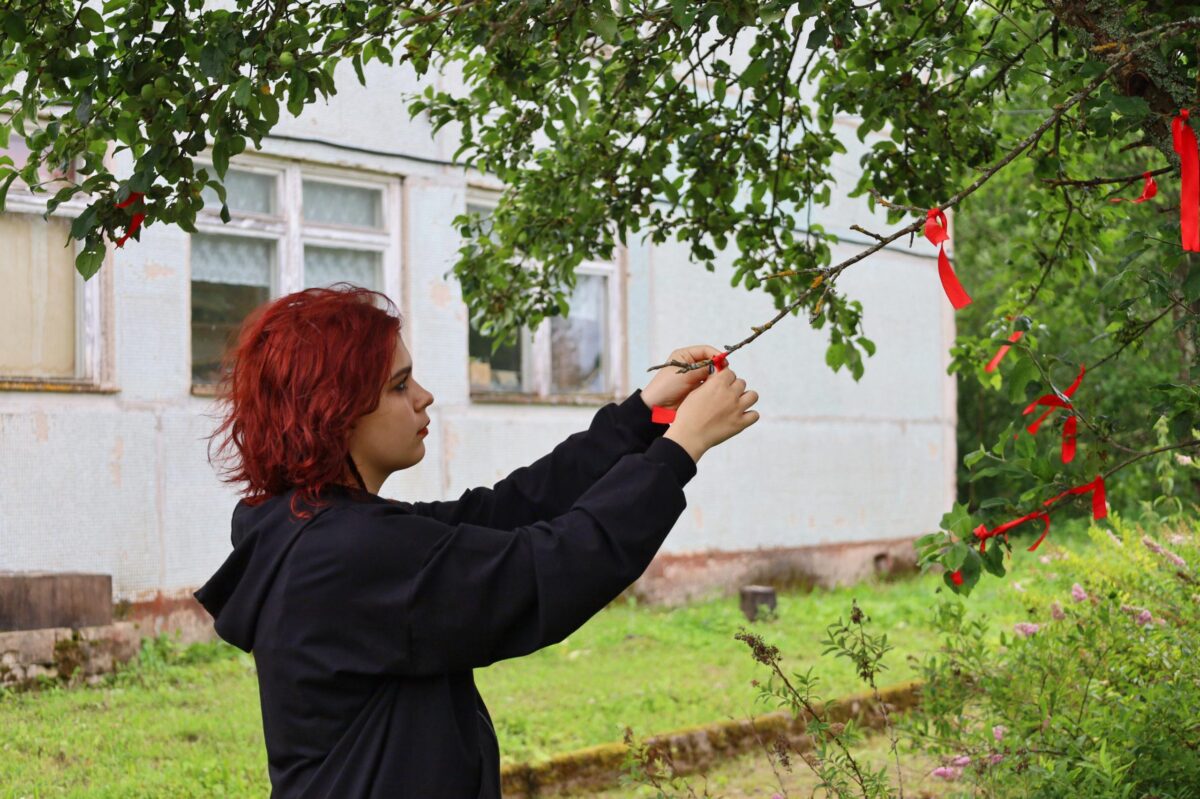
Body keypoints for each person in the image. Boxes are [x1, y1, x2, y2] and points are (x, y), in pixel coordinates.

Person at [195, 283, 760, 798]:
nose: (425, 396)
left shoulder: (318, 528)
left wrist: (646, 413)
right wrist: (680, 449)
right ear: (333, 412)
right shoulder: (345, 552)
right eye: (398, 386)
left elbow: (510, 511)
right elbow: (551, 569)